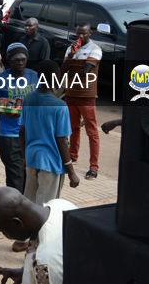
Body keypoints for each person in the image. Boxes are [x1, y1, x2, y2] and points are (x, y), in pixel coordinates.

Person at [0, 43, 39, 252]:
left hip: (31, 135)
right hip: (9, 136)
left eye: (23, 59)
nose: (20, 63)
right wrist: (3, 111)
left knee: (29, 178)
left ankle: (28, 222)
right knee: (15, 178)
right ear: (9, 61)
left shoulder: (35, 76)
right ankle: (18, 230)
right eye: (16, 60)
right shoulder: (1, 79)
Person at [0, 187, 76, 284]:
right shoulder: (60, 204)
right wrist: (26, 272)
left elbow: (49, 267)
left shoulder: (45, 263)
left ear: (17, 223)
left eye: (4, 231)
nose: (6, 235)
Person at [20, 60, 80, 207]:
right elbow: (62, 140)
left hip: (32, 157)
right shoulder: (60, 106)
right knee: (46, 207)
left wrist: (24, 156)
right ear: (57, 77)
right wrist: (71, 171)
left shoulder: (29, 99)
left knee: (30, 204)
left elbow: (22, 131)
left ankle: (29, 231)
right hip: (50, 162)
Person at [60, 21, 102, 180]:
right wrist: (71, 55)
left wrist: (67, 74)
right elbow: (63, 69)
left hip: (87, 95)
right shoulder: (70, 49)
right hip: (71, 93)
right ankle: (72, 156)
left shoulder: (95, 49)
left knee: (91, 131)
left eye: (84, 33)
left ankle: (93, 167)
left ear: (90, 33)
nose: (80, 36)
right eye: (78, 33)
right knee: (73, 127)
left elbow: (85, 71)